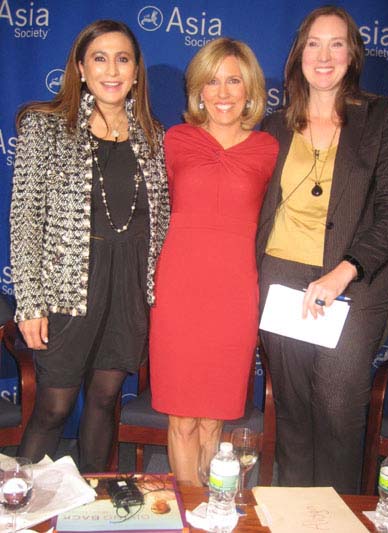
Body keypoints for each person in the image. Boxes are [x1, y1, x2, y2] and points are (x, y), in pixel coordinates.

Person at [10, 20, 169, 472]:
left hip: (128, 290)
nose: (112, 69)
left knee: (103, 403)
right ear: (81, 68)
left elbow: (161, 222)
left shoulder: (153, 135)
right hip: (67, 291)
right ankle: (15, 508)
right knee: (54, 409)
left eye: (123, 58)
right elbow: (24, 220)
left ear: (137, 71)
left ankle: (93, 510)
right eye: (100, 58)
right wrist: (30, 303)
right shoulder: (45, 127)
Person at [257, 6, 388, 493]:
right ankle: (296, 513)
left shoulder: (380, 117)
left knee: (337, 406)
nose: (324, 55)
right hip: (281, 277)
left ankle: (336, 517)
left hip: (353, 283)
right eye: (314, 43)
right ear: (299, 55)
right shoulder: (276, 125)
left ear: (352, 54)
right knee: (293, 410)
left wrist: (344, 271)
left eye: (336, 43)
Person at [150, 37, 279, 485]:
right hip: (178, 289)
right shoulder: (175, 139)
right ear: (198, 91)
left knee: (214, 421)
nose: (223, 93)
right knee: (181, 417)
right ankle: (187, 510)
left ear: (250, 91)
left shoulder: (269, 149)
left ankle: (213, 507)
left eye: (233, 81)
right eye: (212, 82)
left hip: (234, 292)